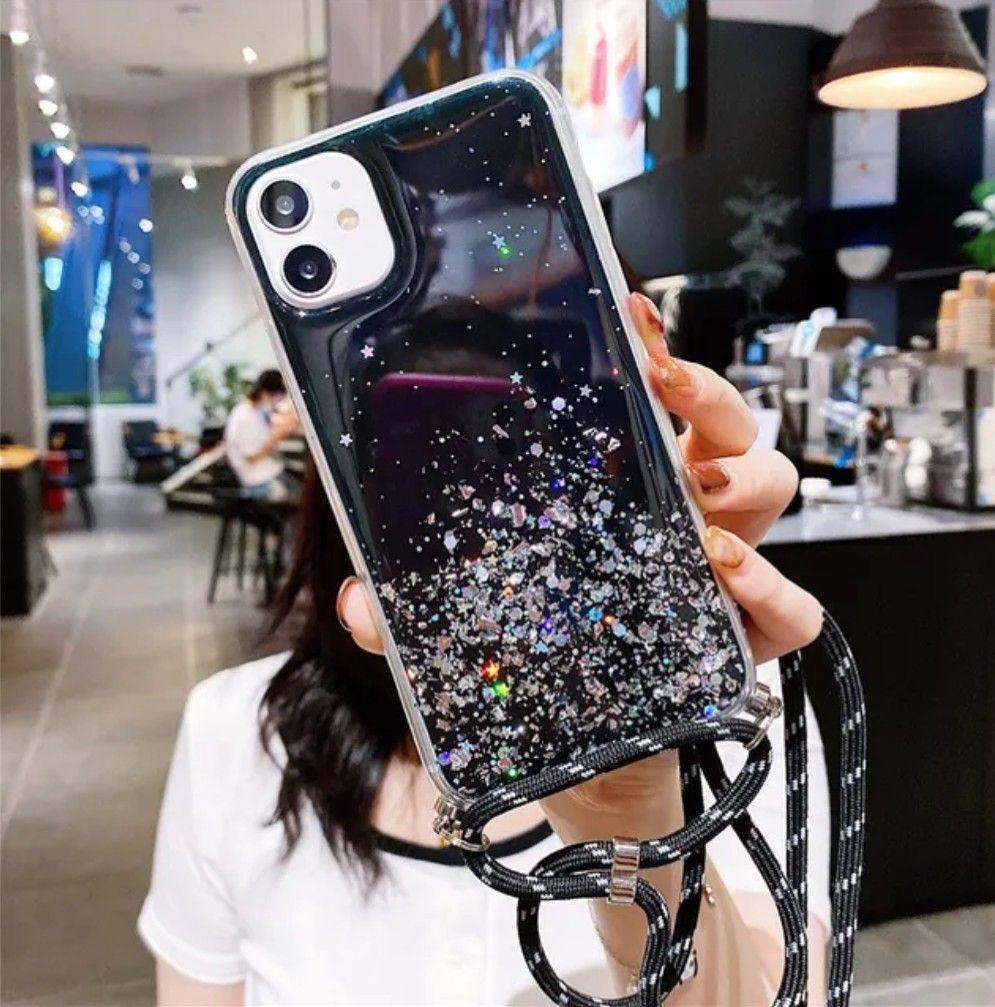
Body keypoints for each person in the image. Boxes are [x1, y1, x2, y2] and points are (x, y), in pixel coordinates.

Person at [140, 294, 829, 1006]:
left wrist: (631, 812)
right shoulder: (234, 730)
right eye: (418, 455)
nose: (463, 492)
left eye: (503, 447)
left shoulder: (724, 704)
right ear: (350, 494)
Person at [223, 369, 299, 498]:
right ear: (265, 393)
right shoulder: (244, 417)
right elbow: (251, 457)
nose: (281, 399)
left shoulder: (257, 409)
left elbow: (283, 413)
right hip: (259, 479)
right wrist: (277, 437)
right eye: (280, 395)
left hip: (270, 470)